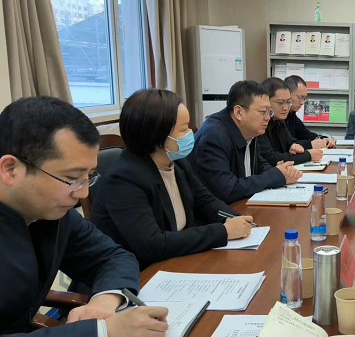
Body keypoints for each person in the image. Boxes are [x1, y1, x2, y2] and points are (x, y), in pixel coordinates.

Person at [0, 97, 169, 337]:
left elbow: (113, 256)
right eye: (70, 178)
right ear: (10, 169)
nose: (81, 194)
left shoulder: (52, 213)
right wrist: (102, 335)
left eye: (88, 178)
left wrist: (105, 300)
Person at [90, 89, 255, 271]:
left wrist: (237, 220)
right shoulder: (124, 179)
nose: (190, 134)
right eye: (183, 129)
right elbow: (152, 244)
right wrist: (223, 232)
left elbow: (206, 202)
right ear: (156, 134)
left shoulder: (178, 163)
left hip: (175, 260)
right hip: (138, 273)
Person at [189, 80, 301, 204]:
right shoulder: (214, 136)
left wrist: (280, 172)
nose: (268, 118)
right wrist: (274, 175)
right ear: (239, 112)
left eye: (269, 112)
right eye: (263, 111)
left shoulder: (249, 130)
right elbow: (228, 190)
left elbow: (258, 164)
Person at [258, 77, 324, 166]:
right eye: (281, 102)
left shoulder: (279, 121)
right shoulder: (259, 124)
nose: (286, 108)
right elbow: (271, 158)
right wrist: (308, 155)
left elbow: (291, 142)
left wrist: (294, 146)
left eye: (288, 102)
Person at [284, 75, 335, 149]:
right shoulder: (279, 117)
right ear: (288, 94)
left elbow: (305, 134)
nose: (302, 103)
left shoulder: (291, 114)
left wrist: (322, 139)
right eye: (300, 97)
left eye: (304, 98)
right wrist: (310, 144)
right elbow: (286, 145)